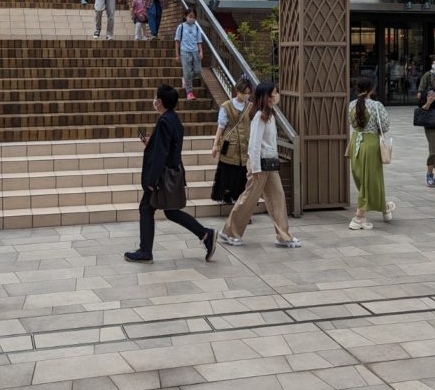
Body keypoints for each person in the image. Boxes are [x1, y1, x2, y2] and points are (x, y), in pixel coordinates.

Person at [124, 85, 217, 264]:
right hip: (172, 173)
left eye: (156, 98)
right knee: (171, 211)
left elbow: (161, 154)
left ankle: (145, 252)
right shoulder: (174, 119)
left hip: (163, 176)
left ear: (160, 101)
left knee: (147, 208)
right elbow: (167, 147)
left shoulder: (164, 121)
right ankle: (206, 234)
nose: (154, 101)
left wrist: (151, 180)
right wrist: (151, 142)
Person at [218, 82, 302, 248]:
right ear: (267, 96)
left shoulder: (269, 115)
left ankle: (283, 236)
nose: (277, 96)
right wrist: (255, 168)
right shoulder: (259, 116)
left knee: (278, 198)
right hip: (259, 165)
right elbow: (254, 144)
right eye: (274, 93)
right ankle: (229, 232)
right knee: (248, 199)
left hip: (269, 164)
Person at [347, 77, 395, 230]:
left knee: (363, 179)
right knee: (371, 180)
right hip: (371, 143)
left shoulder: (351, 105)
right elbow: (385, 125)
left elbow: (351, 122)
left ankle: (384, 208)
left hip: (355, 143)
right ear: (371, 89)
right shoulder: (376, 105)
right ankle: (358, 217)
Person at [210, 78, 253, 205]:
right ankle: (227, 194)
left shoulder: (250, 107)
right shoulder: (226, 106)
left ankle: (239, 197)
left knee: (242, 172)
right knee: (228, 171)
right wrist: (215, 144)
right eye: (244, 92)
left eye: (249, 93)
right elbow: (221, 126)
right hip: (230, 145)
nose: (246, 95)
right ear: (237, 91)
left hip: (245, 144)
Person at [174, 8, 204, 100]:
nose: (192, 18)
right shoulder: (181, 27)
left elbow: (199, 41)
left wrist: (201, 51)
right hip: (184, 52)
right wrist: (177, 54)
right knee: (187, 72)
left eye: (194, 17)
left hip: (195, 51)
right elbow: (177, 41)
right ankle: (189, 92)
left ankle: (185, 78)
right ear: (185, 16)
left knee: (197, 71)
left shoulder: (196, 27)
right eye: (190, 16)